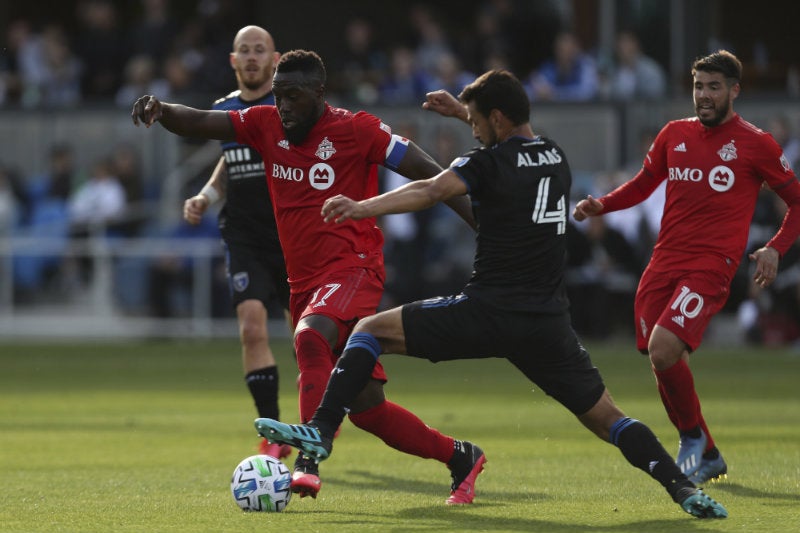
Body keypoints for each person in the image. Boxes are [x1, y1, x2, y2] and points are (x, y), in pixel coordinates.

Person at [254, 70, 728, 519]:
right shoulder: (556, 156)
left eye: (477, 121)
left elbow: (429, 189)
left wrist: (362, 207)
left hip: (487, 311)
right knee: (609, 419)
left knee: (367, 330)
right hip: (546, 324)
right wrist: (464, 111)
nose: (474, 130)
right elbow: (512, 132)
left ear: (495, 120)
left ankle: (318, 431)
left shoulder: (486, 163)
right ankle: (682, 488)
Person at [132, 49, 479, 503]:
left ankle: (309, 457)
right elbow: (199, 122)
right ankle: (461, 457)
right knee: (367, 409)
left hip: (355, 267)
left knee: (309, 336)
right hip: (305, 282)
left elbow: (424, 169)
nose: (284, 107)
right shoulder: (264, 123)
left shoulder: (356, 129)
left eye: (293, 96)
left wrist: (476, 220)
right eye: (278, 96)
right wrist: (162, 109)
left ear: (318, 92)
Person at [573, 50, 800, 484]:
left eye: (714, 87)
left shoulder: (757, 144)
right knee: (661, 360)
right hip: (663, 261)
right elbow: (643, 184)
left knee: (663, 349)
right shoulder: (673, 134)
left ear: (734, 90)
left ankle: (691, 437)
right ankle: (707, 450)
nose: (704, 95)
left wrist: (774, 248)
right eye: (698, 86)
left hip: (712, 265)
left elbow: (797, 203)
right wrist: (603, 204)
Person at [180, 25, 291, 460]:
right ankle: (275, 432)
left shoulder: (288, 109)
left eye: (259, 50)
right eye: (243, 50)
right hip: (243, 234)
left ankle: (319, 418)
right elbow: (231, 160)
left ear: (275, 59)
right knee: (250, 327)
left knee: (309, 337)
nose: (250, 57)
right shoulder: (224, 111)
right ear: (232, 60)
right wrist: (205, 197)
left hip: (291, 235)